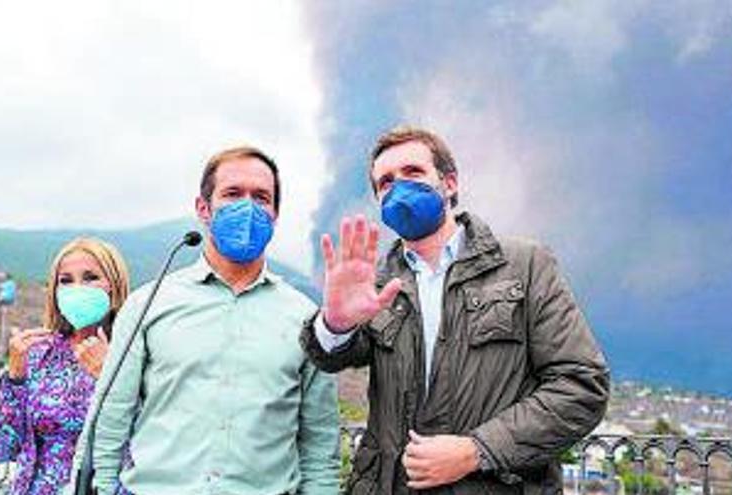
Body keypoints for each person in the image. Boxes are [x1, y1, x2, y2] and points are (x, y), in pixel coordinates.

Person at [301, 126, 610, 494]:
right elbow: (330, 356)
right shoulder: (378, 285)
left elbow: (581, 385)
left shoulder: (525, 266)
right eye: (385, 182)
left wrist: (477, 450)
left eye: (413, 173)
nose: (399, 187)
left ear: (449, 183)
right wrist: (336, 322)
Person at [87, 146, 339, 494]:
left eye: (261, 197)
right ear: (203, 209)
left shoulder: (306, 318)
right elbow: (112, 415)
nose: (248, 207)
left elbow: (319, 444)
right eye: (233, 194)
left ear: (275, 214)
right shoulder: (149, 304)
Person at [0, 238, 130, 494]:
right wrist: (15, 377)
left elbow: (151, 438)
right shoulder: (40, 353)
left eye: (90, 277)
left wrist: (108, 376)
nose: (78, 288)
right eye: (65, 280)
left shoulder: (133, 348)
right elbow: (4, 446)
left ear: (114, 285)